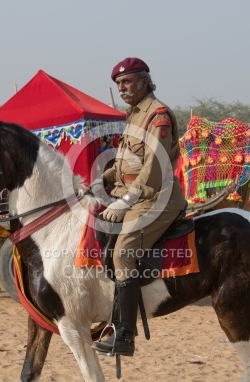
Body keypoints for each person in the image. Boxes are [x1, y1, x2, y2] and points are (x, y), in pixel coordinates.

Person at [91, 57, 187, 356]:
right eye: (118, 84)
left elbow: (154, 166)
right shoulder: (132, 115)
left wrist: (125, 202)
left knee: (123, 254)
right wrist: (97, 181)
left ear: (144, 81)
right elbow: (123, 163)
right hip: (128, 195)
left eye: (127, 82)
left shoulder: (157, 115)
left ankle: (124, 335)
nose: (122, 88)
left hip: (155, 198)